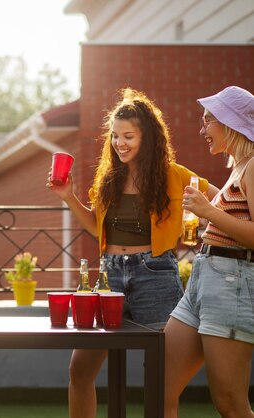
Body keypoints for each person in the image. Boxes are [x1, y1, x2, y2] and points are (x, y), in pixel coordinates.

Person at [46, 87, 219, 418]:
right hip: (108, 277)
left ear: (148, 137)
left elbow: (222, 197)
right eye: (114, 136)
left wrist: (208, 223)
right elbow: (98, 229)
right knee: (79, 372)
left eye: (128, 136)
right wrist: (68, 196)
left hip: (155, 276)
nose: (119, 143)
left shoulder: (175, 175)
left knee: (161, 379)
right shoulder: (110, 176)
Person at [164, 86, 254, 417]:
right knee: (160, 384)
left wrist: (210, 212)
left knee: (230, 403)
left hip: (232, 286)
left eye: (208, 121)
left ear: (230, 123)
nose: (202, 130)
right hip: (203, 282)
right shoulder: (239, 168)